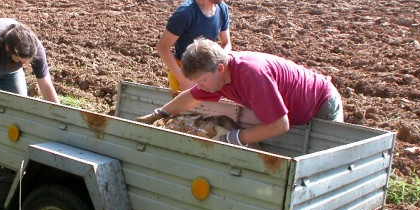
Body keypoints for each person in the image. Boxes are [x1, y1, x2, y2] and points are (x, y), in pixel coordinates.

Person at [137, 38, 343, 146]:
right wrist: (158, 114)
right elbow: (191, 97)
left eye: (202, 81)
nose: (201, 87)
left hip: (321, 103)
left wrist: (232, 139)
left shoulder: (252, 77)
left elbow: (280, 125)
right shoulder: (216, 79)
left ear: (220, 68)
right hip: (297, 109)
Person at [156, 0, 233, 94]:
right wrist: (183, 79)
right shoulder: (185, 13)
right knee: (184, 114)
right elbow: (162, 47)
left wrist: (218, 68)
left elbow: (226, 42)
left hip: (209, 74)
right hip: (186, 75)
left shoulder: (222, 9)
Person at [0, 18, 60, 103]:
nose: (24, 65)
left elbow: (46, 84)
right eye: (19, 61)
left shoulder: (36, 49)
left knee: (20, 103)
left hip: (11, 70)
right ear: (7, 48)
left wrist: (58, 115)